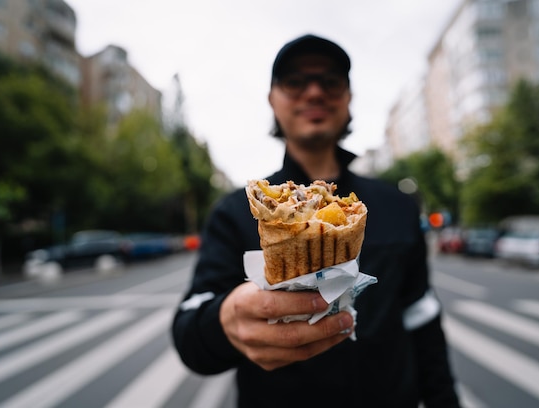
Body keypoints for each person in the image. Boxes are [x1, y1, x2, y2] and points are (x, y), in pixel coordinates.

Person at [172, 34, 461, 408]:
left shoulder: (398, 205)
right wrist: (224, 322)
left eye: (330, 81)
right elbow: (188, 333)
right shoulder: (234, 213)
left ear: (347, 98)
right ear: (272, 100)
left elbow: (422, 321)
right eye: (294, 81)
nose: (313, 92)